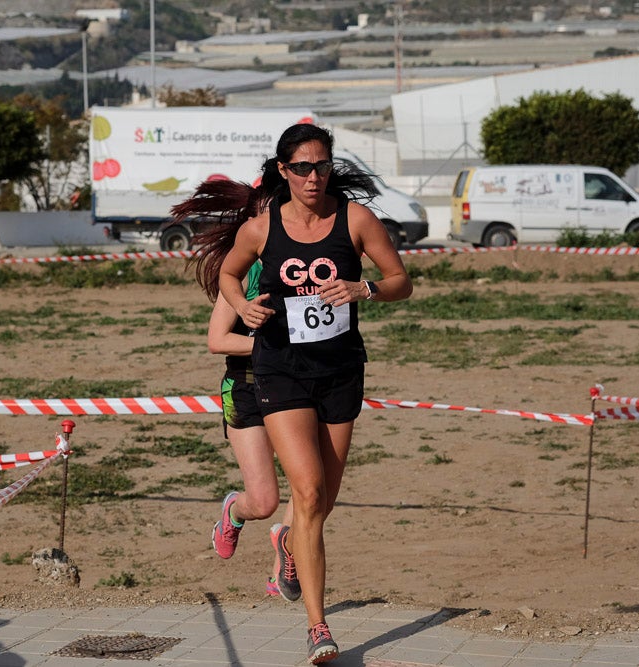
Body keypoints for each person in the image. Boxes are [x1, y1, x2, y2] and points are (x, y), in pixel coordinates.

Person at [186, 122, 413, 664]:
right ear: (283, 171)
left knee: (321, 503)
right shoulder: (260, 230)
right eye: (303, 168)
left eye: (323, 166)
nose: (315, 177)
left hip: (339, 372)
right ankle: (318, 627)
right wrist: (242, 307)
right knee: (305, 493)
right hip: (279, 371)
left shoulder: (356, 219)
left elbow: (402, 280)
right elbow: (229, 277)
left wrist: (368, 288)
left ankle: (290, 544)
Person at [205, 260, 294, 596]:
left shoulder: (308, 266)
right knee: (263, 501)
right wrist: (275, 350)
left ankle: (280, 575)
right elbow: (217, 340)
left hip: (294, 389)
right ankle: (234, 510)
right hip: (246, 389)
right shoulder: (244, 272)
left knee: (307, 486)